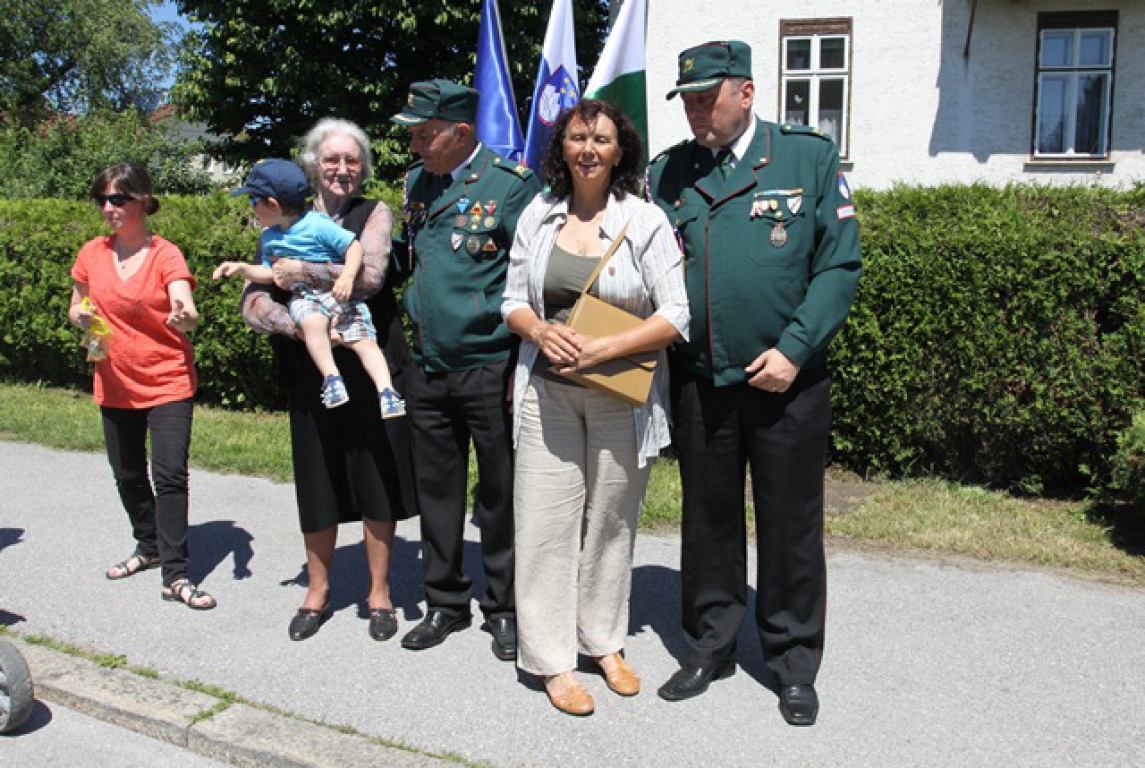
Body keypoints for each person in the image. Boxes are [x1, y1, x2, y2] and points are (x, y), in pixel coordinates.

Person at [646, 40, 862, 726]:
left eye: (707, 98)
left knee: (790, 525)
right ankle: (708, 647)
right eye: (687, 100)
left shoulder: (805, 157)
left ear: (745, 91)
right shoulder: (667, 172)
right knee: (707, 522)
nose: (695, 112)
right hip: (702, 379)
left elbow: (838, 266)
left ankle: (792, 663)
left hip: (786, 383)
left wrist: (795, 350)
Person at [502, 100, 689, 716]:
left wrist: (606, 347)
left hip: (619, 397)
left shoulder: (645, 220)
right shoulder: (538, 213)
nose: (588, 149)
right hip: (547, 395)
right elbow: (511, 301)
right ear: (562, 147)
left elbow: (676, 314)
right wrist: (538, 331)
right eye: (578, 138)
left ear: (619, 150)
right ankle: (552, 661)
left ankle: (603, 643)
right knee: (543, 526)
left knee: (610, 523)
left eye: (601, 139)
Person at [239, 119, 417, 641]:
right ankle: (316, 591)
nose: (341, 168)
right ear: (313, 164)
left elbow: (370, 278)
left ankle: (379, 592)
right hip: (312, 369)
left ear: (363, 167)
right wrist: (296, 326)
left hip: (369, 367)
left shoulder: (372, 213)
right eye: (331, 159)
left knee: (376, 480)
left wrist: (300, 273)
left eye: (352, 159)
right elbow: (253, 301)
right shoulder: (281, 216)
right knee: (317, 482)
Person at [390, 79, 541, 659]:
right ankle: (445, 602)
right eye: (413, 135)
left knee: (500, 492)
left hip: (489, 363)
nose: (415, 146)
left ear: (462, 132)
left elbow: (532, 275)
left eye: (425, 135)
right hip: (428, 364)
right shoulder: (416, 182)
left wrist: (523, 359)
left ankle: (504, 608)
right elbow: (410, 256)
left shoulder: (511, 185)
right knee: (437, 490)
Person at [67, 161, 214, 610]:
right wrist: (81, 317)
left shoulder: (165, 255)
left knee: (169, 475)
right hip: (114, 379)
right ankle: (148, 546)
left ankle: (176, 573)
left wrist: (185, 316)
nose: (108, 208)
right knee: (128, 473)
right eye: (102, 199)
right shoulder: (92, 252)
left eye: (118, 199)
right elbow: (76, 305)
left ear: (143, 201)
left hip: (166, 378)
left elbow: (184, 303)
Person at [216, 159, 405, 418]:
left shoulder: (317, 223)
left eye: (253, 201)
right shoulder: (269, 237)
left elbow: (354, 248)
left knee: (364, 342)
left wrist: (347, 277)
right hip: (306, 297)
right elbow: (271, 274)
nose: (251, 207)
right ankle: (332, 378)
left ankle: (387, 392)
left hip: (338, 293)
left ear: (273, 204)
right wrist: (242, 269)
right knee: (312, 323)